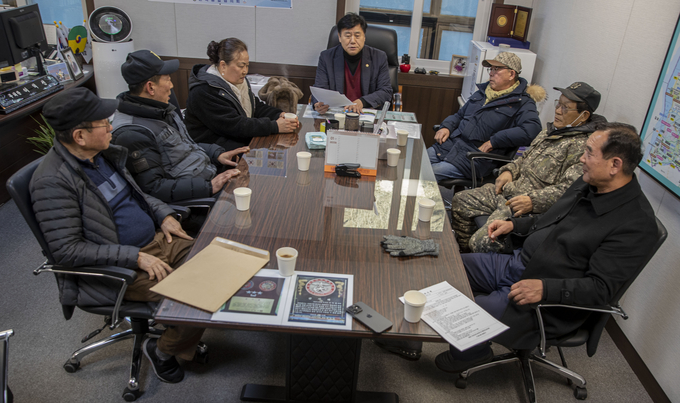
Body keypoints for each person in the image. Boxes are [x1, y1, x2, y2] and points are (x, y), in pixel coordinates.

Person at [434, 122, 658, 373]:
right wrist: (514, 224)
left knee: (465, 312)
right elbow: (550, 219)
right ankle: (475, 333)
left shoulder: (636, 224)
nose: (582, 159)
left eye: (589, 153)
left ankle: (472, 354)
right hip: (520, 263)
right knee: (444, 267)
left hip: (545, 296)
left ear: (615, 164)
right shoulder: (588, 185)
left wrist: (545, 289)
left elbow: (601, 289)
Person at [30, 87, 205, 384]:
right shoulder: (52, 182)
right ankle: (161, 350)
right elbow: (67, 251)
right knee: (197, 299)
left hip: (157, 241)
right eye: (104, 123)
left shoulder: (102, 154)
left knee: (216, 267)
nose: (111, 127)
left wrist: (162, 214)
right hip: (121, 268)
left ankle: (179, 332)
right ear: (79, 136)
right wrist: (136, 257)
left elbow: (138, 195)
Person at [452, 81, 606, 253]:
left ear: (584, 116)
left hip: (524, 207)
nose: (557, 110)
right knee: (460, 201)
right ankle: (464, 256)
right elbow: (524, 157)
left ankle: (475, 262)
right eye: (558, 104)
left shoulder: (584, 147)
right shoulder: (550, 132)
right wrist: (509, 170)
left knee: (482, 241)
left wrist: (533, 201)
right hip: (509, 191)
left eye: (565, 108)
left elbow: (569, 191)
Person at [111, 49, 246, 203]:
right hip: (197, 198)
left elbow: (185, 146)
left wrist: (217, 154)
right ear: (150, 87)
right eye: (168, 80)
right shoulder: (132, 133)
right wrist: (208, 187)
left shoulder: (160, 110)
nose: (171, 85)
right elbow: (153, 188)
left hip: (207, 175)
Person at [427, 52, 543, 182]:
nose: (491, 73)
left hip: (473, 158)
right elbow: (459, 115)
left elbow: (532, 130)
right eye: (491, 69)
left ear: (511, 74)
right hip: (450, 146)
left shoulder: (523, 102)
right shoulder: (483, 92)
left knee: (425, 174)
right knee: (414, 162)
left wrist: (494, 141)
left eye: (496, 69)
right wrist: (446, 127)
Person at [184, 38, 298, 151]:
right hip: (212, 149)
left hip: (233, 139)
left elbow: (255, 107)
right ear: (223, 65)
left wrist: (279, 114)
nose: (245, 71)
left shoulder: (238, 82)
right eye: (241, 66)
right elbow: (233, 125)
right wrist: (274, 126)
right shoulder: (204, 90)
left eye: (247, 65)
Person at [312, 12, 393, 114]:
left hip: (366, 113)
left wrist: (362, 102)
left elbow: (385, 91)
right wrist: (318, 104)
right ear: (339, 37)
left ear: (364, 37)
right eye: (347, 36)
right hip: (337, 114)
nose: (353, 41)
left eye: (357, 36)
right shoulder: (326, 57)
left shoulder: (379, 57)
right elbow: (319, 89)